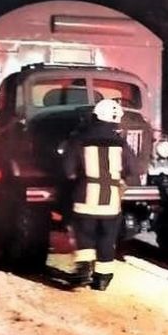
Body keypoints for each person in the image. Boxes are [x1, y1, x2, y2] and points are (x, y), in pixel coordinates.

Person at [63, 98, 137, 291]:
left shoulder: (78, 139)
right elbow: (133, 169)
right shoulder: (121, 143)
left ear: (95, 116)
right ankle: (102, 279)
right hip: (110, 201)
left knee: (85, 236)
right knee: (107, 239)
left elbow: (68, 171)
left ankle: (83, 271)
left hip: (84, 198)